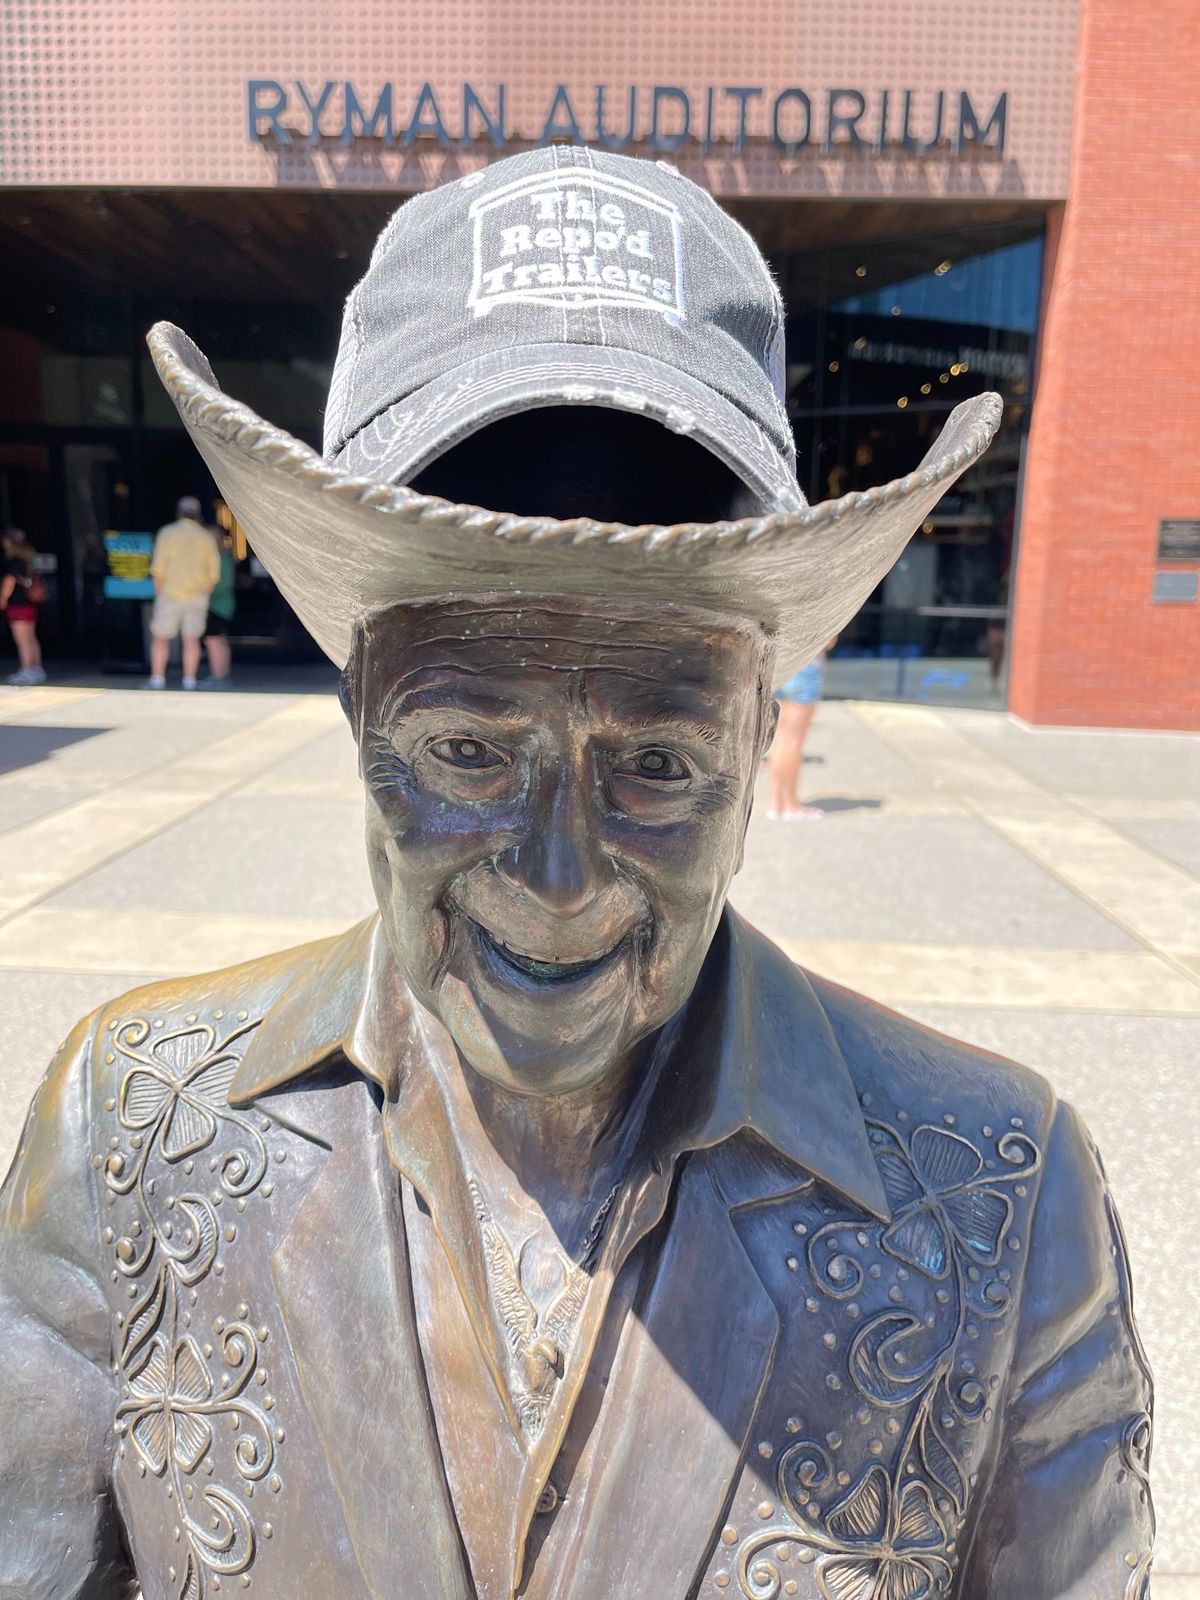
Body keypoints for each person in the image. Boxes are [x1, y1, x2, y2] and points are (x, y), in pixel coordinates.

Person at [0, 150, 1151, 1600]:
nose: (557, 878)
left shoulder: (1006, 1191)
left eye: (657, 764)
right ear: (360, 722)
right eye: (466, 750)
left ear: (759, 737)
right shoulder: (126, 1118)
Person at [146, 494, 219, 689]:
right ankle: (189, 680)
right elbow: (213, 573)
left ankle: (157, 679)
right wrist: (205, 592)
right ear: (198, 513)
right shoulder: (206, 537)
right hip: (197, 595)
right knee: (191, 639)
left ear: (179, 512)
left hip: (170, 593)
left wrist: (160, 593)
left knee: (161, 637)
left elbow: (158, 569)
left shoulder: (167, 533)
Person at [767, 634, 836, 819]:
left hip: (782, 668)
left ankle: (777, 804)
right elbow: (828, 641)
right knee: (793, 743)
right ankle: (791, 805)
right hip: (806, 670)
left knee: (781, 741)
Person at [1, 527, 46, 686]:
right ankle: (37, 669)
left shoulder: (12, 562)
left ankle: (26, 669)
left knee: (22, 639)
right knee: (31, 637)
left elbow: (10, 581)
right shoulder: (29, 560)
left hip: (17, 604)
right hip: (30, 603)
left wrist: (3, 599)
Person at [201, 521, 236, 687]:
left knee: (212, 640)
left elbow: (215, 585)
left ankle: (217, 677)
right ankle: (223, 675)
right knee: (221, 640)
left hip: (215, 605)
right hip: (225, 605)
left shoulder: (216, 560)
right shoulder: (226, 558)